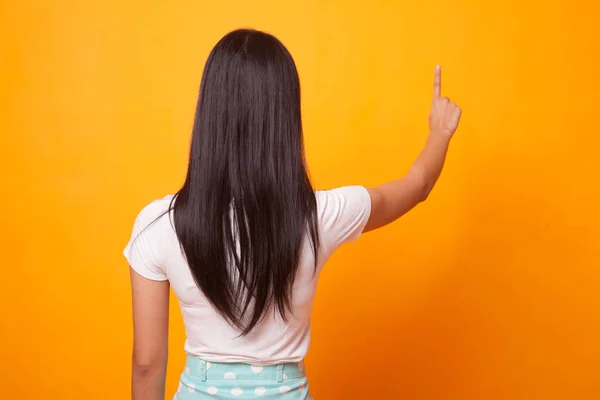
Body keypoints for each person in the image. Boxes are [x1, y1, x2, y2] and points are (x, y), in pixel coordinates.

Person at [124, 28, 461, 400]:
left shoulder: (158, 225)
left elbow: (146, 365)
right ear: (284, 117)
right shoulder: (320, 216)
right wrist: (440, 131)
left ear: (208, 112)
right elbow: (417, 185)